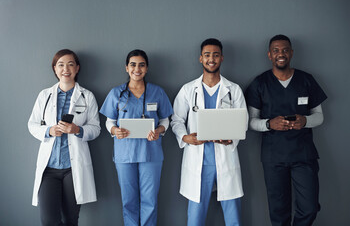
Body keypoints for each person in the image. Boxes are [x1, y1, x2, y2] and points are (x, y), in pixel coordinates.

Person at [245, 34, 327, 226]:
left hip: (303, 155)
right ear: (269, 55)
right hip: (274, 157)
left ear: (291, 53)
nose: (280, 54)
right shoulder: (260, 83)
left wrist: (305, 121)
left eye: (284, 50)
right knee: (278, 209)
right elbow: (251, 121)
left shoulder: (306, 80)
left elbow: (320, 116)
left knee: (310, 207)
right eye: (276, 51)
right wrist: (268, 124)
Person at [171, 38, 247, 226]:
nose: (211, 59)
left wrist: (231, 139)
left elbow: (242, 121)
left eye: (215, 55)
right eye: (207, 55)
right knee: (195, 219)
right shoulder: (189, 90)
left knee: (233, 218)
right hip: (199, 162)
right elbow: (176, 120)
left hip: (225, 159)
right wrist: (185, 137)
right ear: (200, 59)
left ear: (222, 58)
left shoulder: (234, 90)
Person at [99, 49, 173, 226]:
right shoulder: (117, 93)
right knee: (128, 200)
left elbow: (165, 120)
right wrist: (114, 130)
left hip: (151, 153)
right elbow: (109, 121)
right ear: (126, 68)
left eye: (141, 65)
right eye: (133, 64)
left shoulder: (157, 92)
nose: (137, 69)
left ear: (146, 68)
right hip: (125, 154)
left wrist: (159, 130)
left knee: (150, 200)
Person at [28, 49, 101, 225]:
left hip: (73, 168)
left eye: (70, 64)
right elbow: (32, 124)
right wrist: (49, 131)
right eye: (60, 65)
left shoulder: (87, 96)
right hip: (49, 168)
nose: (65, 69)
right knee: (48, 220)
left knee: (70, 219)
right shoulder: (44, 96)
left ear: (77, 68)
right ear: (55, 68)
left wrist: (77, 129)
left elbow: (96, 128)